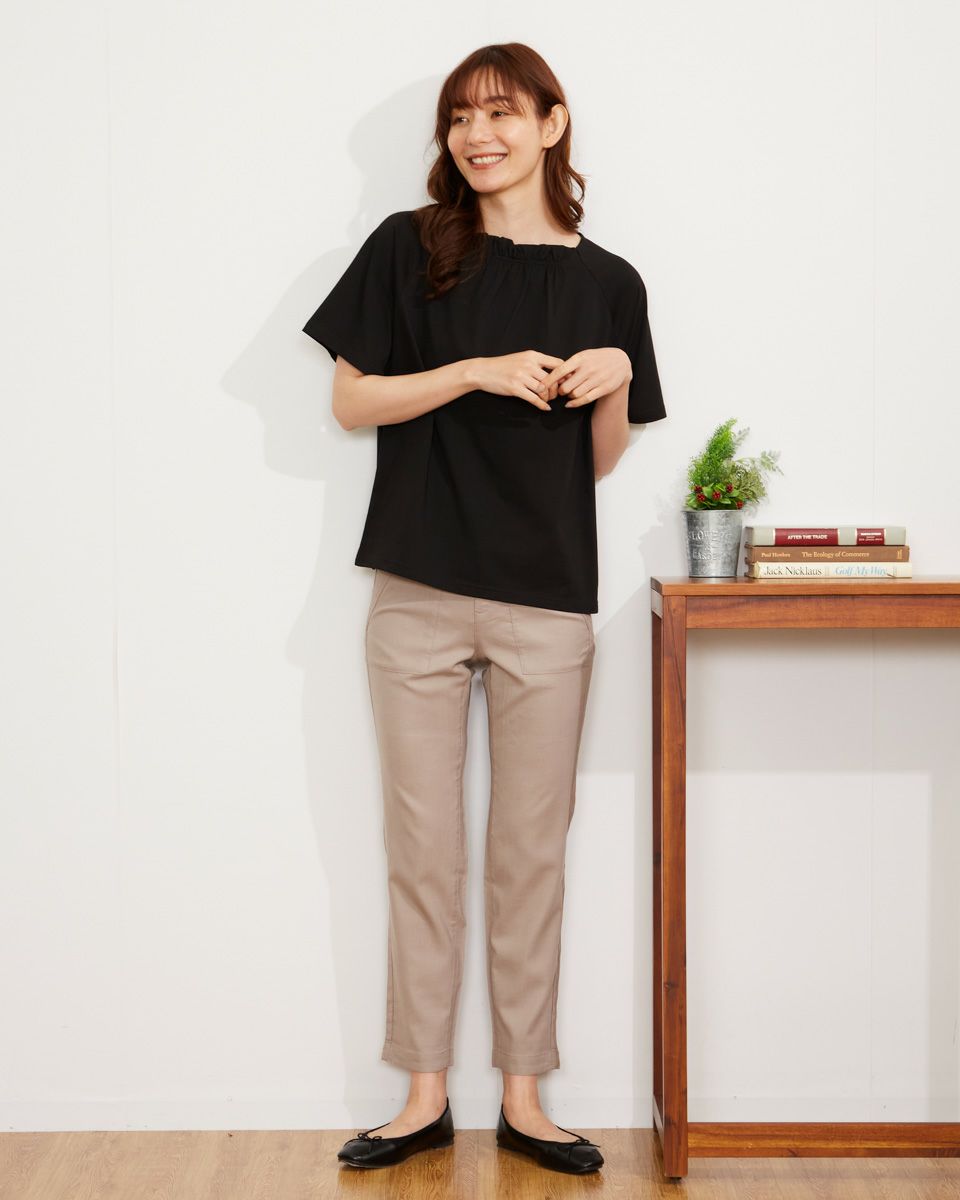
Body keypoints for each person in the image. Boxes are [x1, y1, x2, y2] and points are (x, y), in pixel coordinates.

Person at [302, 42, 666, 1176]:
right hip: (415, 588)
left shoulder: (611, 284)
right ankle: (420, 1096)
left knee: (529, 856)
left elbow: (594, 464)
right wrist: (472, 370)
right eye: (461, 117)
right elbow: (351, 401)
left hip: (547, 603)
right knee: (420, 853)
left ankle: (524, 1097)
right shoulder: (410, 247)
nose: (477, 135)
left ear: (553, 124)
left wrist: (613, 381)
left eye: (501, 113)